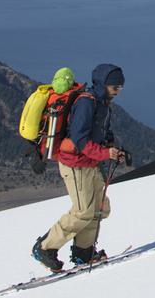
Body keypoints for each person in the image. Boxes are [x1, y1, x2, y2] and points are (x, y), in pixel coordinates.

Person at [32, 63, 127, 271]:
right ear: (103, 84)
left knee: (99, 209)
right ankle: (45, 248)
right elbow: (80, 138)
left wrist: (112, 148)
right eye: (115, 87)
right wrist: (105, 153)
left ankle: (83, 252)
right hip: (75, 164)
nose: (118, 91)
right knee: (83, 211)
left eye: (120, 87)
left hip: (90, 163)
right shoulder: (86, 103)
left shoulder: (102, 103)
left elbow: (101, 132)